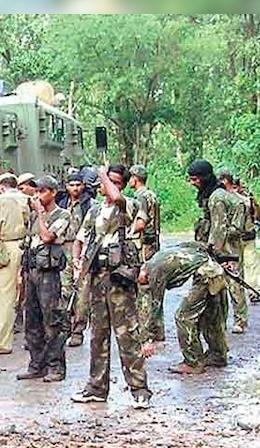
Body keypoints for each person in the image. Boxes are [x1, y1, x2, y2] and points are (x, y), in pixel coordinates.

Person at [70, 165, 152, 409]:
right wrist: (77, 261)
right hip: (97, 276)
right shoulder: (95, 211)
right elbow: (81, 238)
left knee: (127, 335)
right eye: (107, 181)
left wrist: (103, 173)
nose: (108, 187)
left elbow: (116, 197)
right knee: (97, 335)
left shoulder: (128, 205)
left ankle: (139, 390)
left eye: (115, 181)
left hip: (119, 277)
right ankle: (96, 387)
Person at [137, 242, 230, 374]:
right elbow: (194, 245)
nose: (142, 287)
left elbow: (155, 306)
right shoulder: (158, 256)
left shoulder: (154, 271)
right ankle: (218, 354)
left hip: (207, 275)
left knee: (183, 317)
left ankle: (193, 362)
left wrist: (148, 339)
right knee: (210, 316)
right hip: (214, 271)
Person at [18, 174, 72, 382]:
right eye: (37, 191)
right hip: (32, 271)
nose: (38, 195)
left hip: (49, 275)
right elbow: (28, 243)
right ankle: (36, 364)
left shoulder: (62, 215)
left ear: (53, 192)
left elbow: (48, 237)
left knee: (52, 321)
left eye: (42, 191)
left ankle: (56, 366)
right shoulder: (33, 217)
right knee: (31, 320)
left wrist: (40, 214)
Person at [0, 173, 28, 356]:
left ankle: (3, 343)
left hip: (7, 249)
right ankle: (32, 341)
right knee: (28, 294)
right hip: (28, 246)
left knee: (6, 297)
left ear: (1, 187)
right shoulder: (28, 199)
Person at [215, 168, 249, 334]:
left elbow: (237, 228)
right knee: (218, 286)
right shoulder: (218, 199)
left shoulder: (239, 201)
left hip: (232, 248)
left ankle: (240, 320)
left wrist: (222, 231)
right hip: (219, 249)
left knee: (235, 284)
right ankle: (221, 320)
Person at [62, 171, 92, 346]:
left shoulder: (89, 205)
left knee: (81, 293)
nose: (75, 188)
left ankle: (78, 331)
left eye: (78, 185)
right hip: (63, 248)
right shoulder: (61, 203)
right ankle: (64, 328)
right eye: (71, 185)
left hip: (82, 249)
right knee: (64, 291)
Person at [127, 164, 161, 262]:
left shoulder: (141, 197)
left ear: (135, 178)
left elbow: (140, 224)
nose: (129, 181)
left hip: (144, 244)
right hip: (154, 242)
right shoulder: (151, 195)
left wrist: (128, 233)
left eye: (130, 178)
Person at [236, 176, 260, 292]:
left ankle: (253, 290)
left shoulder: (248, 200)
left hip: (248, 236)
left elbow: (258, 217)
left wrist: (254, 203)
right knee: (238, 267)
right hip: (235, 239)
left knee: (251, 265)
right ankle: (240, 290)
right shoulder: (228, 200)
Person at [190, 159, 215, 243]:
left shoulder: (216, 197)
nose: (192, 183)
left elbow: (219, 228)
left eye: (194, 179)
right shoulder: (206, 195)